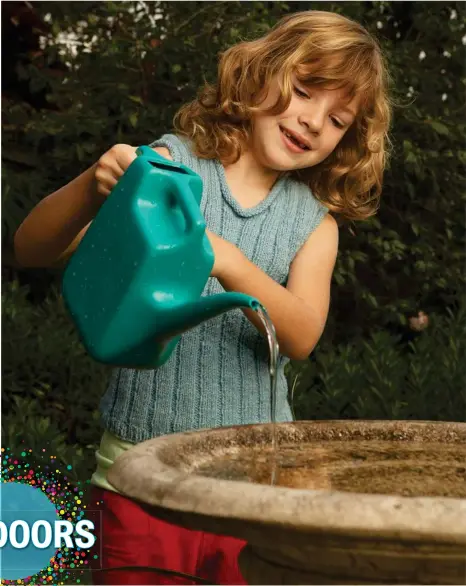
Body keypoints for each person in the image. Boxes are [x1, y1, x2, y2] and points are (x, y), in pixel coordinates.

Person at [14, 9, 392, 585]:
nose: (313, 122)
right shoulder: (169, 169)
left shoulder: (313, 225)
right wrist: (91, 187)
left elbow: (302, 334)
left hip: (252, 490)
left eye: (337, 119)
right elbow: (30, 249)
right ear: (262, 71)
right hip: (140, 478)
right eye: (305, 90)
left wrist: (230, 260)